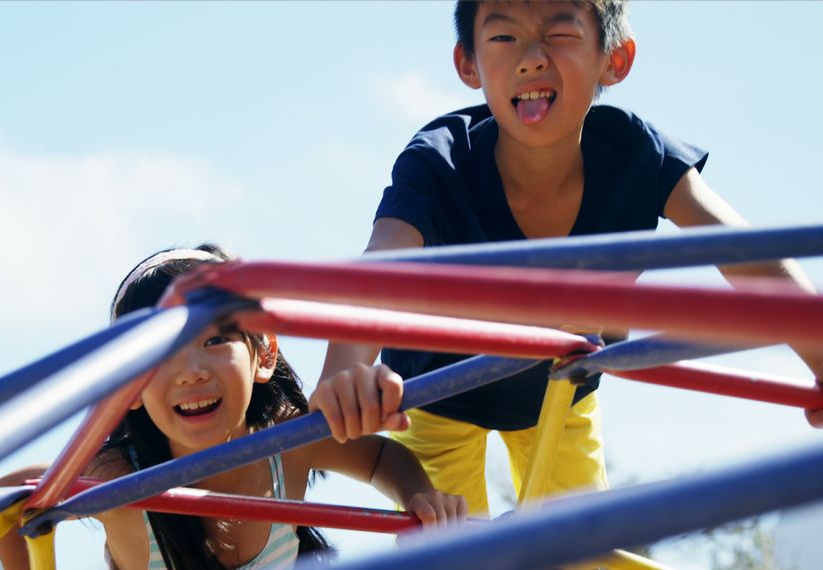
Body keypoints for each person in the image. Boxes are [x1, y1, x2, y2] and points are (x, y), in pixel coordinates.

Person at [311, 0, 823, 517]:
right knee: (448, 541)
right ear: (468, 63)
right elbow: (381, 265)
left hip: (561, 390)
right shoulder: (439, 160)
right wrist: (344, 371)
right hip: (439, 397)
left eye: (559, 33)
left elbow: (746, 253)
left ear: (614, 60)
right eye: (504, 38)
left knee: (579, 548)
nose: (531, 59)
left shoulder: (637, 155)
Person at [0, 244, 466, 570]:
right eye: (158, 353)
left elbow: (381, 456)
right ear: (128, 388)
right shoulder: (117, 479)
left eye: (215, 339)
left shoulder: (287, 443)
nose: (190, 371)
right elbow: (12, 494)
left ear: (263, 354)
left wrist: (418, 497)